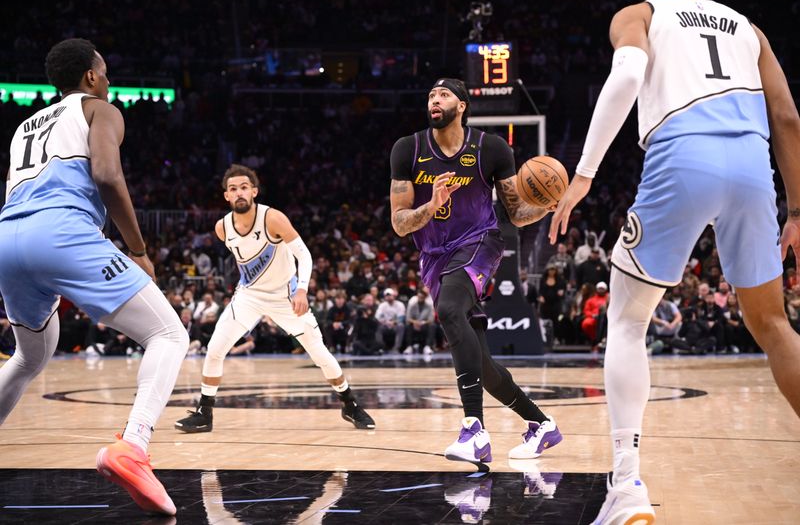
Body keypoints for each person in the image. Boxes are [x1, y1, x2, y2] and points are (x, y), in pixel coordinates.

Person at [549, 0, 800, 522]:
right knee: (775, 324)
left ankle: (627, 487)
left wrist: (585, 174)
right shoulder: (748, 26)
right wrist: (796, 210)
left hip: (683, 156)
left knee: (626, 319)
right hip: (754, 168)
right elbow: (787, 117)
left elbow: (625, 79)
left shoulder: (640, 15)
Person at [0, 39, 189, 515]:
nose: (108, 81)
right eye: (104, 73)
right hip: (62, 231)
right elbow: (107, 175)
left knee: (30, 355)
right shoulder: (100, 110)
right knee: (168, 334)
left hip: (8, 237)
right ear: (90, 76)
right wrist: (139, 249)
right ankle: (134, 447)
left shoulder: (24, 126)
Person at [389, 78, 562, 467]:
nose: (434, 99)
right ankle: (541, 424)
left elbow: (516, 213)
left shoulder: (491, 148)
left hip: (481, 244)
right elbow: (400, 223)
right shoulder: (408, 149)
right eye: (431, 94)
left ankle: (474, 431)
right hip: (434, 256)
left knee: (450, 310)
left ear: (462, 105)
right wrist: (431, 205)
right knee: (480, 365)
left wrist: (547, 205)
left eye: (444, 94)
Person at [175, 165, 374, 433]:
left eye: (244, 187)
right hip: (249, 296)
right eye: (233, 189)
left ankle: (349, 404)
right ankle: (204, 413)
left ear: (254, 191)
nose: (239, 192)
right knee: (214, 349)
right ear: (226, 196)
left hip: (286, 296)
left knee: (319, 353)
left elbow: (304, 255)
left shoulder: (273, 218)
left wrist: (302, 288)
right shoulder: (222, 228)